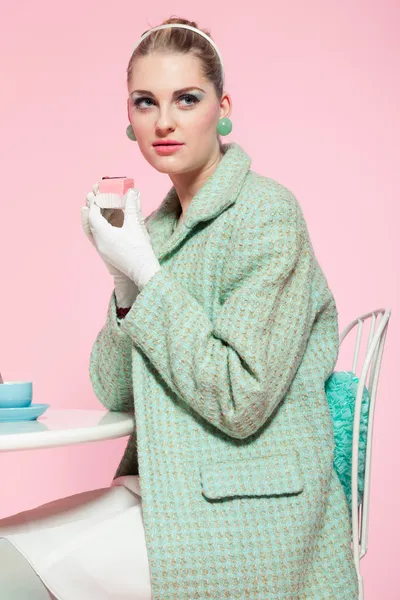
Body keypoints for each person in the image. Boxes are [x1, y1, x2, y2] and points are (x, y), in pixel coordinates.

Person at [0, 16, 359, 600]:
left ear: (223, 107)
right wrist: (124, 280)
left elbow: (242, 398)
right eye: (146, 102)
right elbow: (115, 392)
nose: (163, 121)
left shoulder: (267, 214)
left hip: (247, 513)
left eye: (186, 99)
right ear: (129, 118)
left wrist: (146, 272)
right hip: (164, 492)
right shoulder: (158, 231)